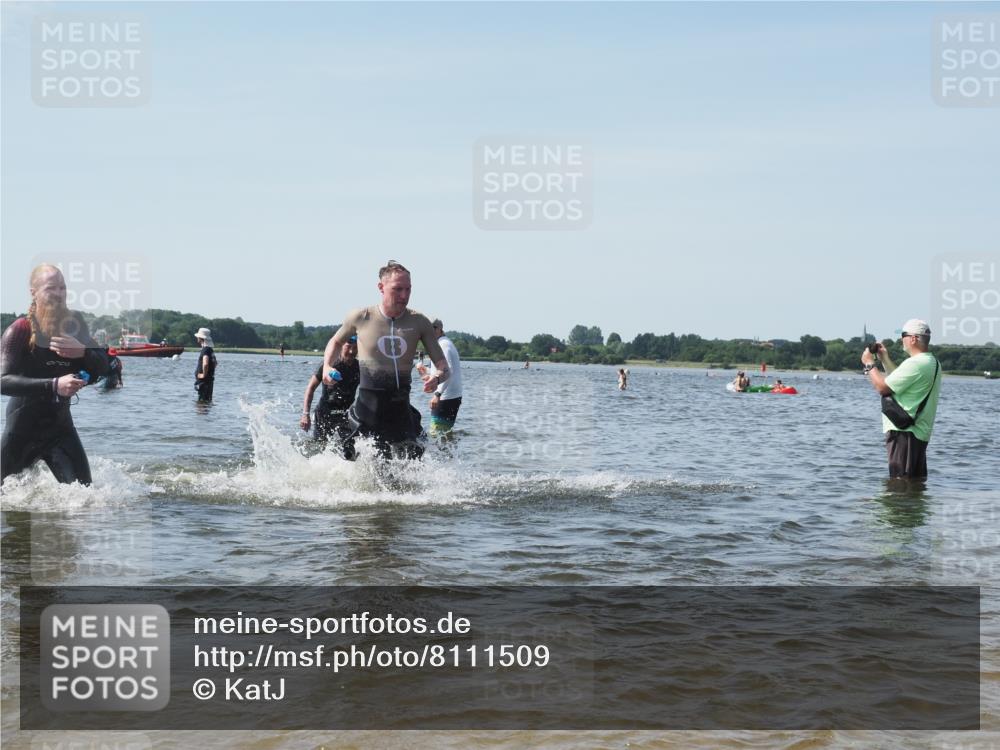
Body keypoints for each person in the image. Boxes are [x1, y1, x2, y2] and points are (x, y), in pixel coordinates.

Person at [322, 260, 449, 459]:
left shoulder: (419, 322)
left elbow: (442, 365)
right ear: (381, 287)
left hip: (400, 408)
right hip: (368, 406)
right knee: (350, 459)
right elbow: (335, 341)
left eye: (408, 289)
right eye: (398, 289)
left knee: (411, 463)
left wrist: (437, 377)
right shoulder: (361, 317)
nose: (404, 296)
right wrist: (327, 366)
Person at [1, 263, 109, 485]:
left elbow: (103, 366)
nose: (59, 294)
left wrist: (83, 351)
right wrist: (54, 384)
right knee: (9, 508)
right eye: (51, 288)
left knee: (87, 497)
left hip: (60, 430)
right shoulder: (20, 329)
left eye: (63, 288)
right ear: (34, 292)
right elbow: (2, 381)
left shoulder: (76, 326)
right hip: (22, 432)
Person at [861, 319, 943, 479]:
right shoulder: (932, 362)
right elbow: (899, 380)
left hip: (904, 433)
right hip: (917, 433)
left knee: (900, 484)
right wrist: (884, 358)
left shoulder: (917, 363)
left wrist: (869, 364)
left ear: (913, 339)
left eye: (903, 335)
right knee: (913, 485)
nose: (901, 339)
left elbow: (882, 387)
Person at [301, 335, 360, 449]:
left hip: (346, 414)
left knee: (350, 448)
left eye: (355, 347)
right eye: (348, 347)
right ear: (341, 345)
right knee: (320, 448)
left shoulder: (359, 368)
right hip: (324, 413)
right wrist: (305, 414)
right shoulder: (328, 365)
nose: (352, 351)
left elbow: (370, 391)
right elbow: (310, 388)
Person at [425, 319, 462, 435]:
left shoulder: (443, 345)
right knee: (444, 435)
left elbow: (448, 371)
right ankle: (450, 453)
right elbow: (440, 371)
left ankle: (444, 453)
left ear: (440, 329)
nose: (430, 331)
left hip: (447, 397)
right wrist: (426, 372)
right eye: (427, 328)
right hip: (450, 395)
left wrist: (437, 394)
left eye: (433, 328)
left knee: (436, 434)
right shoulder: (441, 343)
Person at [193, 327, 217, 402]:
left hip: (204, 382)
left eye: (198, 337)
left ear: (201, 338)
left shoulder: (205, 350)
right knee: (207, 403)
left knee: (201, 405)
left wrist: (204, 374)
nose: (197, 338)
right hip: (209, 381)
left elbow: (205, 363)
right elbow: (215, 363)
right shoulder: (210, 350)